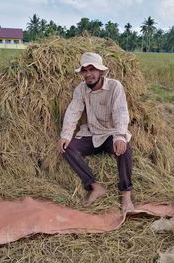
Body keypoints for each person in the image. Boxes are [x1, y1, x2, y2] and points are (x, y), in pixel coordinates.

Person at [58, 52, 135, 212]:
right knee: (67, 148)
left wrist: (120, 136)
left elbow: (121, 112)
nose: (88, 74)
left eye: (92, 69)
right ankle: (95, 186)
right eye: (84, 71)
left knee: (125, 150)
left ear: (101, 72)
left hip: (111, 134)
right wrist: (65, 135)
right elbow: (73, 111)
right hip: (92, 134)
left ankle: (126, 194)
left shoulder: (115, 86)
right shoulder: (81, 90)